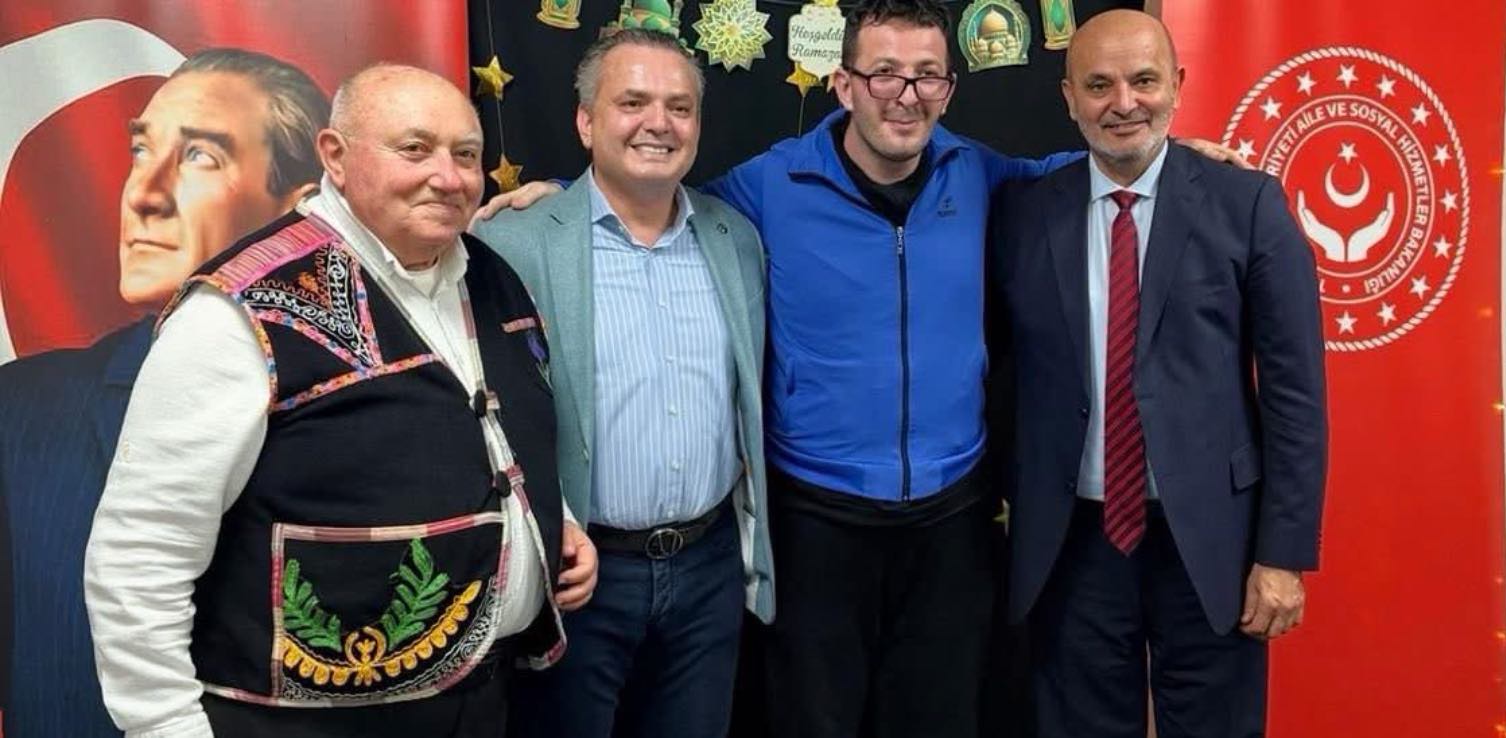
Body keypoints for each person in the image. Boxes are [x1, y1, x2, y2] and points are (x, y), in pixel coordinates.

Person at [476, 3, 1245, 734]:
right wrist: (559, 198)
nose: (905, 95)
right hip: (817, 521)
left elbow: (1076, 172)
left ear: (948, 88)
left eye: (927, 75)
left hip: (952, 520)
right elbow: (656, 196)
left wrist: (1171, 161)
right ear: (843, 84)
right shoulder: (768, 186)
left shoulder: (979, 173)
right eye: (883, 73)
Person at [82, 64, 596, 738]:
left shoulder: (492, 277)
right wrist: (164, 725)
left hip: (481, 702)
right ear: (334, 155)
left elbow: (498, 433)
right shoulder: (236, 311)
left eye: (466, 155)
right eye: (414, 149)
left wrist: (545, 526)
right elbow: (142, 547)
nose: (448, 176)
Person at [986, 10, 1327, 737]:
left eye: (1144, 81)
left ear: (1178, 84)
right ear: (1069, 97)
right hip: (1071, 545)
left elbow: (1295, 395)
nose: (1124, 103)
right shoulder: (1021, 215)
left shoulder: (1247, 203)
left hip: (1213, 541)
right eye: (1099, 85)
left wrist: (1282, 555)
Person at [0, 48, 325, 738]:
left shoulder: (378, 402)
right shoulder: (21, 409)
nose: (142, 194)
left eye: (201, 156)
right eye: (142, 150)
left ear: (299, 211)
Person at [475, 29, 771, 738]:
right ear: (586, 122)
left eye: (679, 107)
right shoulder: (513, 242)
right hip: (580, 577)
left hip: (708, 570)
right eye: (632, 102)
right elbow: (478, 414)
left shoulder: (736, 239)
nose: (658, 123)